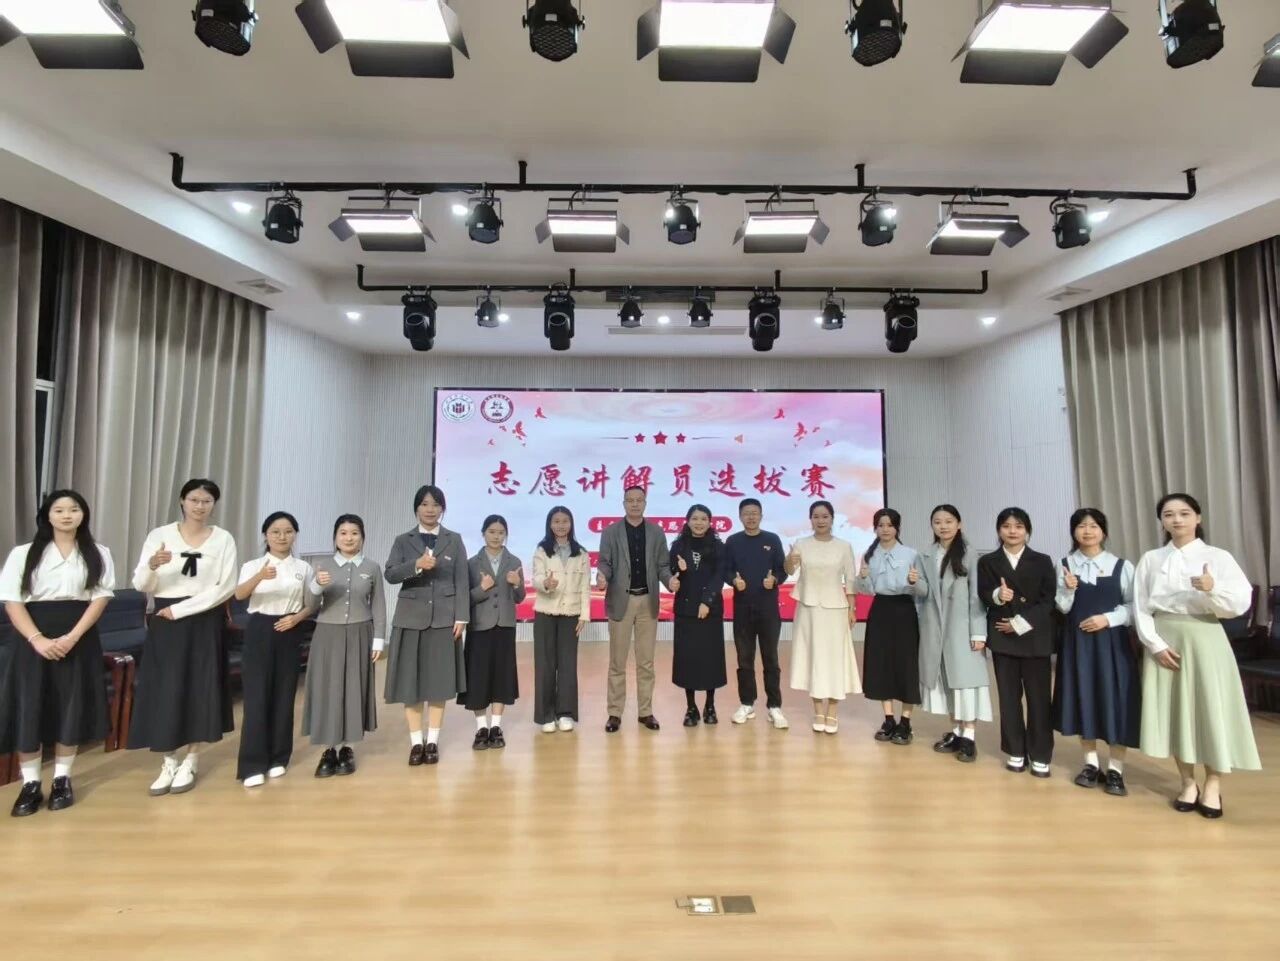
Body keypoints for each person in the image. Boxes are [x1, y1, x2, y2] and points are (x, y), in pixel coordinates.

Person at [1135, 493, 1261, 819]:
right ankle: (1187, 782)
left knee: (1210, 709)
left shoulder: (1217, 557)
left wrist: (1211, 588)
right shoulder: (1151, 559)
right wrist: (1154, 645)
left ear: (1198, 517)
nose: (1177, 520)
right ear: (1161, 521)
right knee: (1176, 711)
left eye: (1184, 513)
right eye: (1168, 514)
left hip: (1205, 636)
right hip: (1164, 638)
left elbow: (1240, 603)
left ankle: (1213, 785)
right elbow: (1141, 606)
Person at [0, 490, 114, 817]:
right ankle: (30, 783)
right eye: (59, 510)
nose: (67, 515)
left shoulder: (98, 552)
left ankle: (62, 779)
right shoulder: (23, 553)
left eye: (74, 509)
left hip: (79, 636)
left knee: (71, 705)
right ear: (47, 516)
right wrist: (37, 639)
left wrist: (73, 637)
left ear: (83, 514)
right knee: (30, 705)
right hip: (31, 636)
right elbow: (12, 600)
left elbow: (100, 598)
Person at [128, 478, 238, 796]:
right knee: (167, 688)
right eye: (194, 500)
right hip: (165, 619)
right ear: (182, 501)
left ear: (213, 505)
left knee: (199, 687)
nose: (199, 506)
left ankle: (191, 758)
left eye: (206, 501)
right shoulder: (160, 535)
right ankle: (168, 761)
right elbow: (141, 584)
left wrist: (182, 610)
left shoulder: (223, 539)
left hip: (203, 618)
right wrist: (152, 565)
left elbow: (225, 587)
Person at [1053, 508, 1140, 797]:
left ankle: (1116, 768)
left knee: (1117, 700)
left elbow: (1134, 607)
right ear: (1073, 532)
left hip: (1113, 645)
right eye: (1081, 526)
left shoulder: (1122, 566)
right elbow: (1061, 607)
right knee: (1084, 697)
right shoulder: (1064, 565)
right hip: (1077, 644)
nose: (1087, 531)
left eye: (1093, 526)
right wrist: (1068, 590)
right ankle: (1090, 763)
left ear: (1103, 531)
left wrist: (1108, 619)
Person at [384, 484, 469, 766]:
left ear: (442, 509)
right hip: (410, 619)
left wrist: (461, 617)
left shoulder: (454, 540)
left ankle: (432, 741)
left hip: (444, 620)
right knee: (411, 683)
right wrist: (416, 565)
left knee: (439, 682)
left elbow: (461, 581)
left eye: (435, 504)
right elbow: (390, 574)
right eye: (424, 504)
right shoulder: (402, 540)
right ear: (416, 508)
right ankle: (415, 743)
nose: (430, 509)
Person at [233, 512, 316, 788]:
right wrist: (260, 575)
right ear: (265, 535)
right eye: (276, 532)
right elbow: (240, 595)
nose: (282, 537)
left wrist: (297, 618)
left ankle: (279, 757)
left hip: (290, 628)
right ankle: (252, 764)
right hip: (260, 628)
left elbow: (311, 603)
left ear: (295, 535)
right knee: (256, 695)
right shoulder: (253, 565)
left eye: (288, 531)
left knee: (284, 693)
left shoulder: (303, 568)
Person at [302, 514, 385, 778]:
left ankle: (348, 748)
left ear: (363, 538)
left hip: (361, 633)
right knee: (328, 688)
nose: (349, 538)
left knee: (354, 688)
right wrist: (317, 585)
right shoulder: (323, 566)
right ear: (335, 537)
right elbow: (310, 605)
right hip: (328, 635)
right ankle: (328, 749)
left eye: (354, 533)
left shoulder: (371, 567)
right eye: (343, 533)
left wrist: (379, 639)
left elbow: (378, 606)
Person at [977, 507, 1058, 777]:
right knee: (1009, 699)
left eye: (1019, 526)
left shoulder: (1042, 560)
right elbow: (983, 594)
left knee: (1039, 700)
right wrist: (998, 595)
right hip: (1003, 638)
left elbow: (1048, 600)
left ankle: (1040, 754)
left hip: (1035, 637)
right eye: (1006, 526)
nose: (1012, 531)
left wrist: (1020, 623)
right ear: (998, 530)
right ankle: (1015, 750)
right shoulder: (988, 561)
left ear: (1027, 531)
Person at [595, 486, 674, 733]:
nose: (635, 504)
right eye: (630, 500)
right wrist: (601, 576)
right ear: (624, 503)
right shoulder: (610, 532)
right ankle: (614, 713)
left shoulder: (656, 532)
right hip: (622, 601)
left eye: (639, 500)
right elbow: (605, 562)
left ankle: (645, 712)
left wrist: (670, 581)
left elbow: (663, 565)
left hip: (647, 602)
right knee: (617, 662)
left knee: (646, 662)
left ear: (645, 503)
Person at [916, 504, 991, 763]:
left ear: (959, 524)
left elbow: (976, 596)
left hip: (961, 628)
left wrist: (978, 633)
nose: (943, 526)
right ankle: (957, 732)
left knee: (965, 682)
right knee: (946, 681)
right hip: (935, 627)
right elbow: (924, 594)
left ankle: (969, 736)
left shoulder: (969, 554)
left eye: (948, 521)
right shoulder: (926, 555)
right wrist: (915, 582)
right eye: (937, 522)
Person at [786, 500, 860, 734]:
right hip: (808, 609)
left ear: (832, 519)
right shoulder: (801, 544)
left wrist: (852, 608)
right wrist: (789, 560)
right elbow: (789, 571)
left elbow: (850, 579)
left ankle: (833, 712)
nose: (820, 520)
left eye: (825, 516)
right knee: (813, 656)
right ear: (810, 520)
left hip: (835, 609)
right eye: (816, 516)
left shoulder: (844, 546)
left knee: (834, 658)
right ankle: (818, 710)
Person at [855, 508, 927, 745]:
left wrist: (914, 582)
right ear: (875, 528)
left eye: (890, 525)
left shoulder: (911, 554)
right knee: (881, 663)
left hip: (904, 610)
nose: (885, 529)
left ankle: (905, 721)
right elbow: (866, 590)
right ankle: (888, 719)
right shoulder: (869, 555)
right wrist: (863, 577)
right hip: (881, 610)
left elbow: (923, 590)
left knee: (906, 664)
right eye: (880, 525)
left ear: (897, 528)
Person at [722, 498, 789, 729]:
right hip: (743, 609)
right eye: (746, 513)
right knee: (744, 659)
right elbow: (726, 570)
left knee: (771, 658)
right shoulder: (733, 541)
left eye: (755, 513)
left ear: (761, 515)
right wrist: (733, 580)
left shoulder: (772, 539)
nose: (751, 517)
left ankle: (774, 706)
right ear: (740, 516)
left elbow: (782, 570)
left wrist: (775, 579)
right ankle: (747, 703)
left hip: (768, 609)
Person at [461, 515, 524, 751]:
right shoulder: (471, 563)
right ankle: (481, 727)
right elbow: (464, 599)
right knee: (478, 677)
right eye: (492, 532)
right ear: (483, 533)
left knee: (501, 676)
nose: (496, 536)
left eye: (500, 532)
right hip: (479, 626)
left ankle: (496, 726)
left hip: (505, 626)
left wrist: (517, 584)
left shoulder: (514, 561)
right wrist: (482, 589)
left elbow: (520, 598)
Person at [531, 506, 590, 733]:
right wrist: (545, 584)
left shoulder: (580, 552)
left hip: (571, 614)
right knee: (545, 665)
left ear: (571, 524)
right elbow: (536, 577)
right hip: (545, 613)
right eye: (556, 521)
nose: (561, 525)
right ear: (550, 524)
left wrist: (584, 614)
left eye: (565, 521)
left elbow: (585, 586)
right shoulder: (542, 550)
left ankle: (565, 713)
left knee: (567, 664)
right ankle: (546, 715)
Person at [668, 504, 728, 726]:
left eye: (703, 519)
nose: (699, 523)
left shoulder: (718, 546)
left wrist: (706, 601)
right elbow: (671, 572)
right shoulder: (678, 545)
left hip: (710, 610)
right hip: (685, 610)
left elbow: (719, 575)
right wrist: (679, 570)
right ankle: (691, 707)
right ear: (688, 521)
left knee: (710, 658)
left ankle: (710, 705)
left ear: (710, 522)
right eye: (695, 518)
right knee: (688, 659)